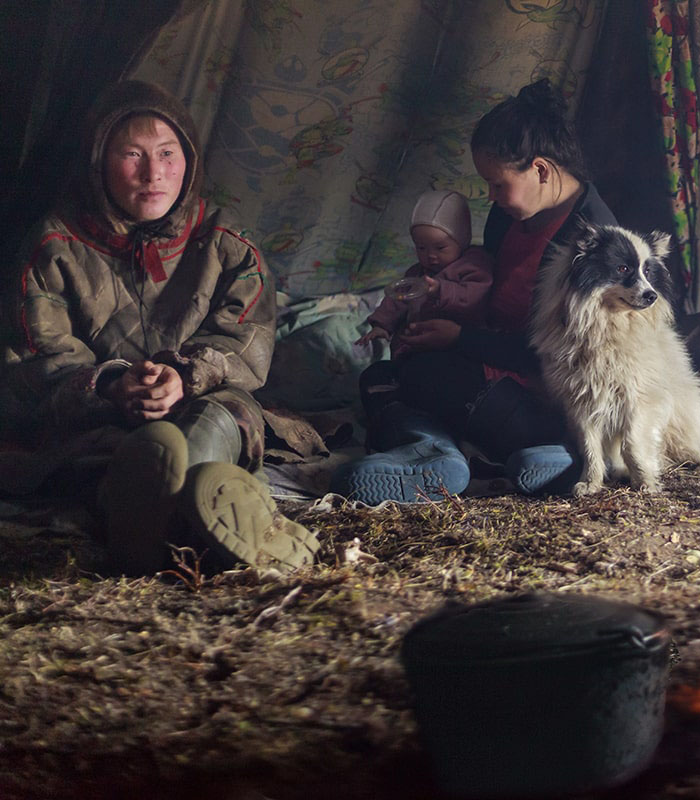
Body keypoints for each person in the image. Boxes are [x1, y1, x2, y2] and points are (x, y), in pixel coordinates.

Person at [0, 80, 318, 575]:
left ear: (188, 160)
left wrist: (185, 376)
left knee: (222, 418)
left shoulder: (226, 243)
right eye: (132, 154)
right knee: (110, 451)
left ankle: (169, 514)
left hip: (205, 395)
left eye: (168, 153)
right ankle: (177, 514)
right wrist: (110, 383)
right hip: (101, 413)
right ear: (98, 161)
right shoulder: (54, 246)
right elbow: (37, 357)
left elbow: (244, 342)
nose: (154, 173)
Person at [331, 78, 618, 504]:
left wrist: (460, 339)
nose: (491, 196)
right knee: (382, 376)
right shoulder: (508, 217)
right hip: (493, 360)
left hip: (550, 394)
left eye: (498, 184)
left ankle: (552, 450)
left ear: (540, 170)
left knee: (422, 376)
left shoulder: (593, 246)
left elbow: (565, 359)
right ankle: (452, 453)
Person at [356, 188, 493, 357]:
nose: (431, 255)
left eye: (440, 247)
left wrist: (441, 291)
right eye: (421, 248)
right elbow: (397, 300)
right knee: (375, 375)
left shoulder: (474, 264)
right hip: (414, 345)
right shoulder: (417, 273)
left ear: (462, 240)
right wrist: (381, 325)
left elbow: (476, 296)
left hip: (455, 349)